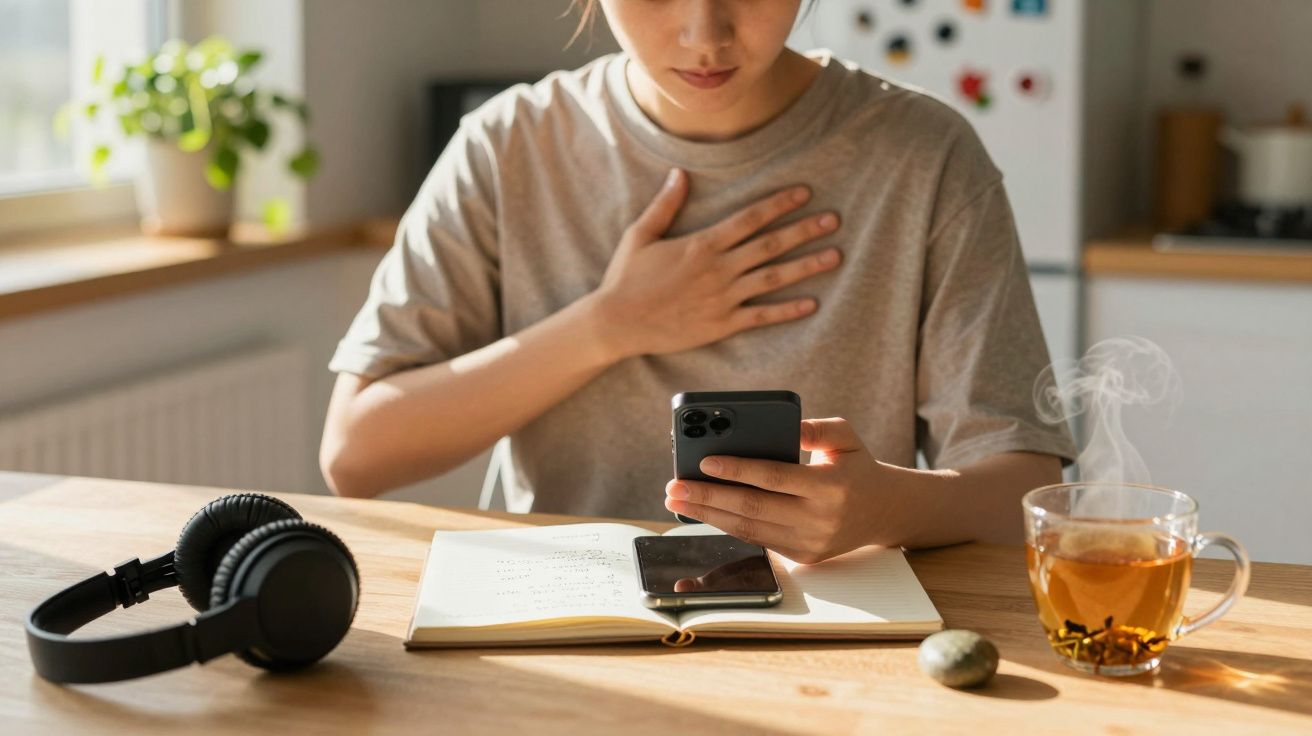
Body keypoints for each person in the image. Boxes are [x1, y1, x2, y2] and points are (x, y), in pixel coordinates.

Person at [320, 0, 1076, 564]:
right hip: (573, 629)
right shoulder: (508, 145)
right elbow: (356, 452)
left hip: (837, 640)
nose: (705, 34)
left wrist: (888, 508)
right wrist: (608, 324)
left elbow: (1023, 494)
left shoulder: (927, 156)